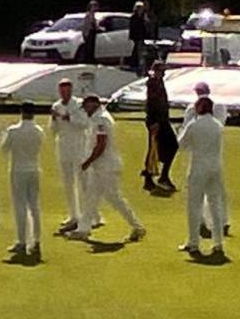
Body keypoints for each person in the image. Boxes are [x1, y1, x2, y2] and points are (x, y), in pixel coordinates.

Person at [67, 94, 147, 243]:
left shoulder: (101, 119)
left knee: (114, 198)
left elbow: (101, 144)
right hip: (101, 166)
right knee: (91, 197)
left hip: (106, 166)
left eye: (86, 106)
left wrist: (88, 161)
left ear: (93, 104)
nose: (85, 110)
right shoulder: (98, 118)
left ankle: (137, 226)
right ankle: (83, 230)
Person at [177, 97, 227, 259]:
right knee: (215, 204)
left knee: (194, 205)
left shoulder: (194, 125)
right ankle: (218, 242)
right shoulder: (217, 125)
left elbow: (182, 145)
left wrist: (180, 131)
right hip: (215, 167)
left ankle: (193, 242)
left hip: (199, 167)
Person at [180, 81, 231, 237]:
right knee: (217, 195)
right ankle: (221, 228)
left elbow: (183, 142)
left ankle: (198, 230)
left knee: (196, 199)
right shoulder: (219, 113)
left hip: (198, 161)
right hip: (215, 160)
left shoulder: (192, 114)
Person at [1, 101, 45, 259]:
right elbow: (39, 147)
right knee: (34, 206)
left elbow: (4, 148)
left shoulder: (13, 131)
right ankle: (37, 239)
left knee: (20, 206)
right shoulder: (39, 131)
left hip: (18, 170)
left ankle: (22, 240)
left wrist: (4, 133)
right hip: (34, 169)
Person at [50, 78, 93, 233]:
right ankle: (73, 215)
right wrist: (54, 119)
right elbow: (54, 130)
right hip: (63, 148)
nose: (64, 93)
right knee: (68, 183)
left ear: (71, 90)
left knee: (84, 182)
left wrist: (70, 118)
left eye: (67, 90)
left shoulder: (79, 105)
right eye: (62, 90)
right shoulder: (56, 106)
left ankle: (91, 215)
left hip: (79, 147)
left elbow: (85, 124)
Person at [143, 61, 179, 192]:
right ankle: (159, 176)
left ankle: (155, 176)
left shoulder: (157, 82)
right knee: (157, 148)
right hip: (157, 121)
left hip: (161, 120)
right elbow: (152, 104)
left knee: (156, 148)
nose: (163, 73)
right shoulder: (153, 83)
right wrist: (154, 122)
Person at [129, 0, 150, 73]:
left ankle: (136, 63)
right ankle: (136, 64)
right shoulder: (134, 17)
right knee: (137, 49)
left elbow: (146, 24)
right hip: (136, 36)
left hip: (141, 36)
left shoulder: (142, 17)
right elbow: (133, 27)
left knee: (139, 50)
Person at [81, 0, 101, 64]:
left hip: (92, 32)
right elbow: (87, 25)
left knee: (91, 47)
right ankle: (88, 59)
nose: (96, 8)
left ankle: (91, 58)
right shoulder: (88, 15)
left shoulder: (93, 15)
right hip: (89, 32)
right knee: (89, 47)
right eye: (94, 6)